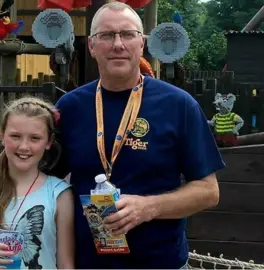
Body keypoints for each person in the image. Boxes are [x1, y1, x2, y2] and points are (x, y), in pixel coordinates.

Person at [53, 2, 225, 269]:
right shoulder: (69, 108)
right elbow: (43, 180)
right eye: (107, 35)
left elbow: (208, 191)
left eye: (128, 34)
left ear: (141, 43)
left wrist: (149, 208)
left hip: (161, 263)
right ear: (91, 46)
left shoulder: (179, 105)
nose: (118, 44)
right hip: (88, 264)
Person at [0, 97, 75, 269]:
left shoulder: (58, 193)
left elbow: (65, 263)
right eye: (15, 136)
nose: (24, 146)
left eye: (34, 138)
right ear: (2, 135)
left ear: (48, 142)